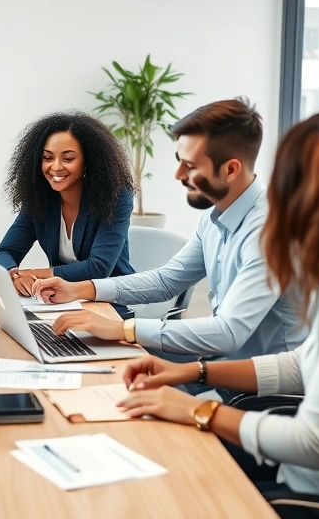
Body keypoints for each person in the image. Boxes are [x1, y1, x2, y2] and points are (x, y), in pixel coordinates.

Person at [113, 107, 319, 518]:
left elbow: (313, 443)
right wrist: (196, 372)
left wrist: (199, 410)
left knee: (182, 484)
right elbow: (305, 363)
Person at [32, 98, 304, 364]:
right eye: (179, 160)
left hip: (263, 393)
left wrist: (125, 329)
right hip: (217, 370)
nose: (178, 174)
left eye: (191, 165)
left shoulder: (269, 233)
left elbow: (228, 332)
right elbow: (166, 281)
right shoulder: (215, 218)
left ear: (231, 169)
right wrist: (79, 289)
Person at [0, 111, 135, 295]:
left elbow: (98, 268)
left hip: (109, 300)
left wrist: (33, 275)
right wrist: (14, 275)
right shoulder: (40, 198)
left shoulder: (115, 197)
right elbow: (4, 252)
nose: (56, 167)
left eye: (68, 158)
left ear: (88, 161)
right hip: (58, 299)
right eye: (47, 157)